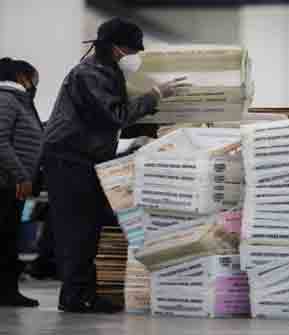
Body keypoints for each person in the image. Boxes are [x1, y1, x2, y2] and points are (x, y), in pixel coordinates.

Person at [43, 18, 187, 314]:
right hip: (70, 158)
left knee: (89, 226)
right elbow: (114, 115)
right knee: (78, 229)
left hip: (86, 156)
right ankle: (76, 296)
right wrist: (154, 96)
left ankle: (80, 293)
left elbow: (111, 122)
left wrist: (156, 131)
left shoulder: (106, 71)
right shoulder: (90, 74)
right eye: (130, 50)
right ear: (115, 48)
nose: (132, 56)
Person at [0, 57, 43, 307]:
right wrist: (22, 175)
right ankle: (6, 292)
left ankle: (7, 291)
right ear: (21, 77)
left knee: (8, 237)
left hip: (12, 183)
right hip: (7, 182)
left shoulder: (19, 102)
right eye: (34, 78)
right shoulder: (6, 99)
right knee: (4, 238)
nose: (35, 84)